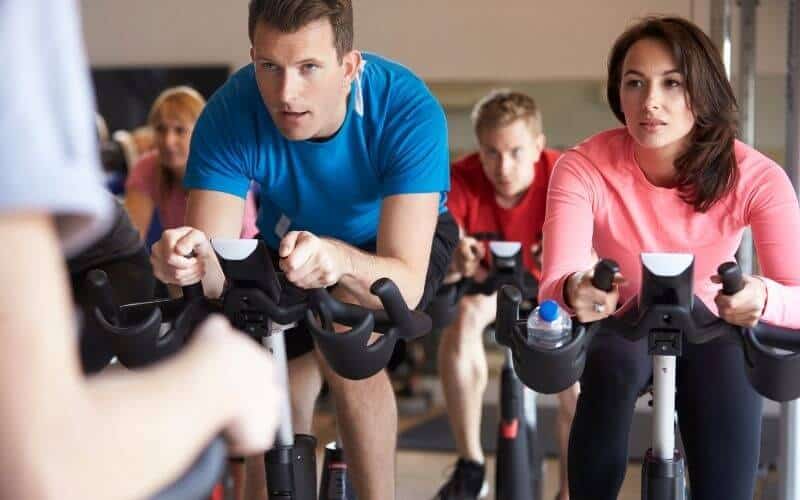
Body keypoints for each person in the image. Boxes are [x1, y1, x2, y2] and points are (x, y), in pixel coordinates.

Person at [148, 1, 457, 499]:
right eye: (269, 67)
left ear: (350, 66)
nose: (286, 93)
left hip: (392, 242)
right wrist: (182, 264)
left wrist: (339, 258)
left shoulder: (406, 108)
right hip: (288, 241)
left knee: (348, 345)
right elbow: (213, 270)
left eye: (308, 67)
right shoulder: (230, 111)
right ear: (253, 59)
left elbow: (403, 280)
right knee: (268, 378)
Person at [0, 1, 280, 498]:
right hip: (154, 268)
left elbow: (230, 257)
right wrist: (217, 380)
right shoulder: (146, 170)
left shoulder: (222, 173)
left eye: (182, 130)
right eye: (165, 129)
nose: (172, 140)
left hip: (230, 268)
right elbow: (37, 462)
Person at [538, 16, 800, 500]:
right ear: (618, 93)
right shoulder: (583, 167)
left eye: (671, 83)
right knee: (609, 365)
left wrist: (760, 298)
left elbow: (797, 297)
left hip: (712, 325)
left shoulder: (757, 177)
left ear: (701, 90)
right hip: (623, 322)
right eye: (634, 82)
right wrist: (577, 291)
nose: (649, 101)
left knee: (731, 376)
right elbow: (556, 281)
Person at [434, 89, 576, 500]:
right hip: (488, 291)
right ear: (478, 150)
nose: (504, 166)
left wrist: (567, 253)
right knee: (462, 319)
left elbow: (596, 252)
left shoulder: (564, 175)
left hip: (553, 291)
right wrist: (456, 258)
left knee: (576, 381)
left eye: (515, 152)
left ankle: (569, 489)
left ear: (537, 146)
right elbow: (445, 247)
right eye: (491, 153)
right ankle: (471, 464)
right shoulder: (461, 178)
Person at [124, 86, 260, 240]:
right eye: (161, 129)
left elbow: (241, 241)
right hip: (183, 257)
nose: (168, 141)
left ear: (202, 131)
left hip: (232, 256)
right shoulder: (148, 166)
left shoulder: (224, 167)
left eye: (180, 130)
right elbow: (130, 241)